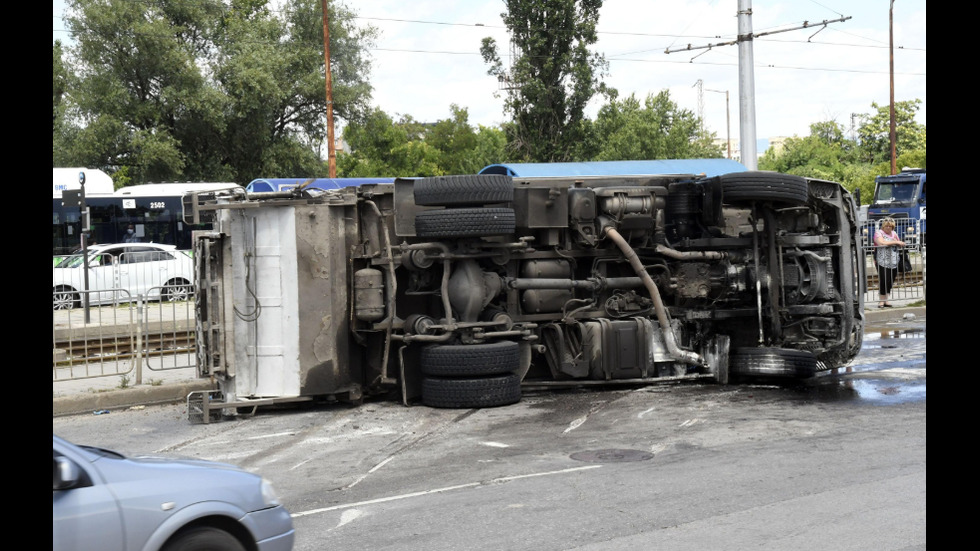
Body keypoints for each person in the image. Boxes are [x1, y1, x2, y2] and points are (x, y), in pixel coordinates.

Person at [873, 217, 905, 308]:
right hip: (881, 260)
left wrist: (896, 242)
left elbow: (899, 243)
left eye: (890, 226)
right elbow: (881, 243)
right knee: (883, 279)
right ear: (883, 226)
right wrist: (894, 242)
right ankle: (881, 301)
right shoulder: (878, 233)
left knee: (890, 280)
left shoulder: (894, 233)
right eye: (886, 226)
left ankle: (886, 300)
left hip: (894, 260)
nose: (888, 228)